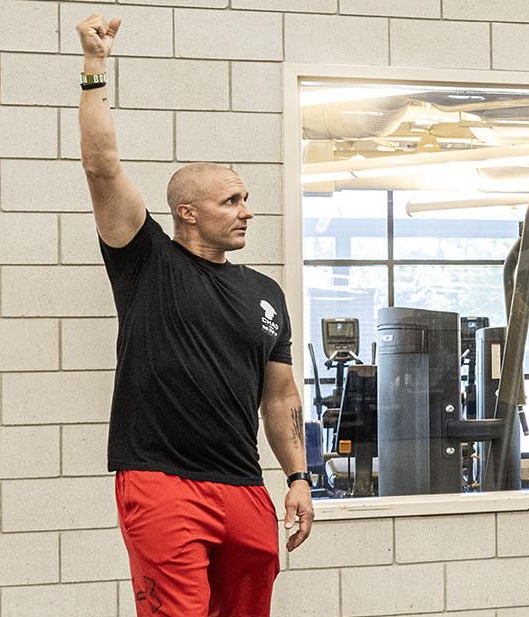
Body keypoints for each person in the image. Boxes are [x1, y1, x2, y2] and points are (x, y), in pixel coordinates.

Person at [77, 14, 313, 616]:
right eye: (231, 200)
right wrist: (94, 70)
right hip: (162, 482)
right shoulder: (145, 261)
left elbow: (280, 395)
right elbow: (103, 168)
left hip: (243, 486)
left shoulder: (264, 291)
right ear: (186, 211)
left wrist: (297, 477)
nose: (246, 212)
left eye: (247, 199)